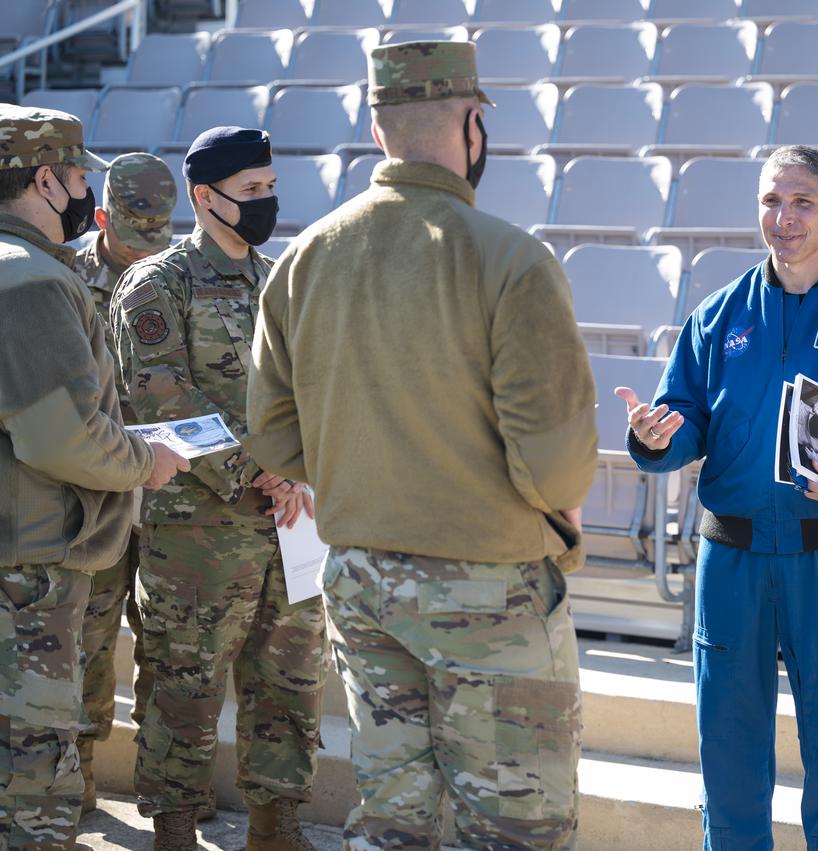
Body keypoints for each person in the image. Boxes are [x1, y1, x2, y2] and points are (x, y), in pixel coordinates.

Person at [245, 41, 597, 850]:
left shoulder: (304, 258)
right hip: (490, 588)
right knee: (514, 827)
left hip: (360, 578)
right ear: (474, 125)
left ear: (378, 130)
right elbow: (556, 463)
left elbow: (272, 435)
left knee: (392, 819)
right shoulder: (511, 260)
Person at [616, 144, 818, 850]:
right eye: (771, 201)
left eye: (802, 202)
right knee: (728, 758)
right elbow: (685, 417)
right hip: (733, 560)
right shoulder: (719, 314)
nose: (784, 217)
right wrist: (656, 437)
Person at [110, 127, 327, 851]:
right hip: (198, 533)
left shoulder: (281, 280)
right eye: (250, 190)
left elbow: (315, 388)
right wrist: (260, 468)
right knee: (184, 683)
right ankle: (176, 826)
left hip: (291, 523)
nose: (266, 200)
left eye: (271, 186)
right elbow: (160, 394)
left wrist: (299, 469)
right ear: (205, 197)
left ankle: (277, 823)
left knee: (291, 679)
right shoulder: (159, 283)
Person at [0, 105, 187, 848]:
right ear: (46, 180)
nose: (84, 189)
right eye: (78, 175)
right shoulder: (32, 281)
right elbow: (62, 439)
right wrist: (147, 459)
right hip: (28, 571)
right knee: (33, 789)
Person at [71, 150, 177, 815]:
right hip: (97, 492)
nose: (146, 249)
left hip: (169, 493)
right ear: (103, 219)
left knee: (167, 646)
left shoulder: (177, 275)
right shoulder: (65, 279)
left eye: (157, 235)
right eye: (134, 236)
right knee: (88, 640)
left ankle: (166, 791)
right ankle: (77, 779)